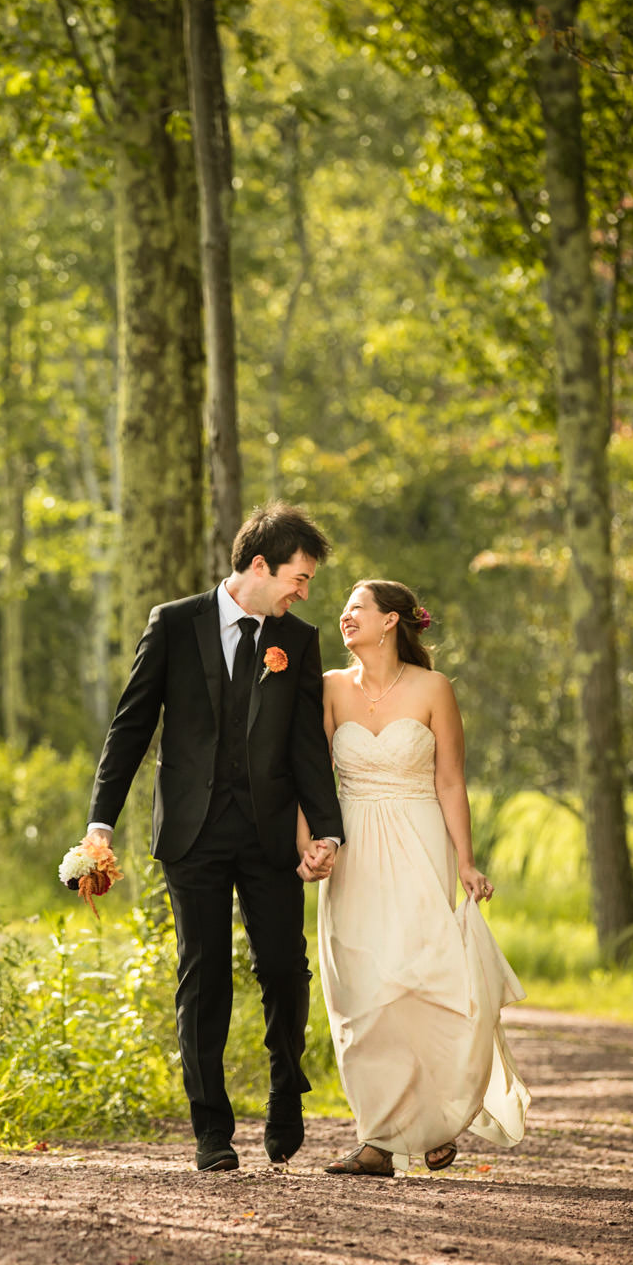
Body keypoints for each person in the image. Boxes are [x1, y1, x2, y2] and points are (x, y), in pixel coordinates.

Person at [84, 503, 345, 1171]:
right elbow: (131, 726)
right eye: (299, 576)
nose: (303, 591)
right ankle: (211, 1130)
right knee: (203, 978)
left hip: (268, 835)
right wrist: (100, 822)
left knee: (284, 969)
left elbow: (309, 748)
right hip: (192, 834)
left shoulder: (300, 638)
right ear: (260, 565)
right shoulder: (174, 623)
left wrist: (328, 832)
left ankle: (287, 1088)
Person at [308, 579, 530, 1177]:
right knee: (362, 990)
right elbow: (310, 774)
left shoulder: (434, 689)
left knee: (421, 979)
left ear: (391, 622)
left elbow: (450, 781)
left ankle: (435, 1117)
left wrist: (465, 860)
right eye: (344, 608)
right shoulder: (328, 687)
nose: (345, 615)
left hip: (419, 837)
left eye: (358, 607)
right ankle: (378, 1137)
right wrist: (310, 844)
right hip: (352, 846)